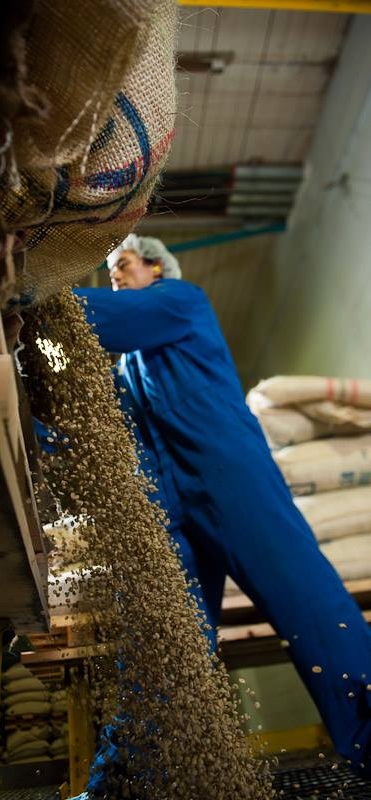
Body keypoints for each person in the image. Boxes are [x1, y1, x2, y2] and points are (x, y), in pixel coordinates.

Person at [66, 233, 371, 798]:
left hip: (233, 483)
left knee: (309, 605)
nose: (114, 274)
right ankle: (133, 780)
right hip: (174, 511)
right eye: (110, 268)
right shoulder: (131, 366)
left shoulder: (181, 301)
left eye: (123, 263)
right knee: (171, 646)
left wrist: (35, 297)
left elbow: (95, 319)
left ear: (156, 268)